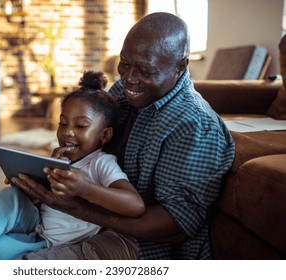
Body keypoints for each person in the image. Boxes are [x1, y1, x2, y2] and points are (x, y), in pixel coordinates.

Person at [12, 12, 235, 260]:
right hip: (81, 219)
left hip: (143, 244)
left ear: (180, 66)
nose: (129, 78)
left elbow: (176, 226)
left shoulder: (193, 126)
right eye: (125, 64)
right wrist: (44, 180)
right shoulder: (124, 92)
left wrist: (77, 207)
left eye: (145, 70)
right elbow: (89, 145)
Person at [0, 71, 145, 260]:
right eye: (62, 123)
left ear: (104, 135)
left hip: (50, 244)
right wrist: (29, 183)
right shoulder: (58, 159)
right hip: (34, 223)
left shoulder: (101, 163)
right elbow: (39, 199)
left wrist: (86, 188)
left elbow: (135, 206)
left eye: (81, 126)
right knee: (7, 198)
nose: (68, 132)